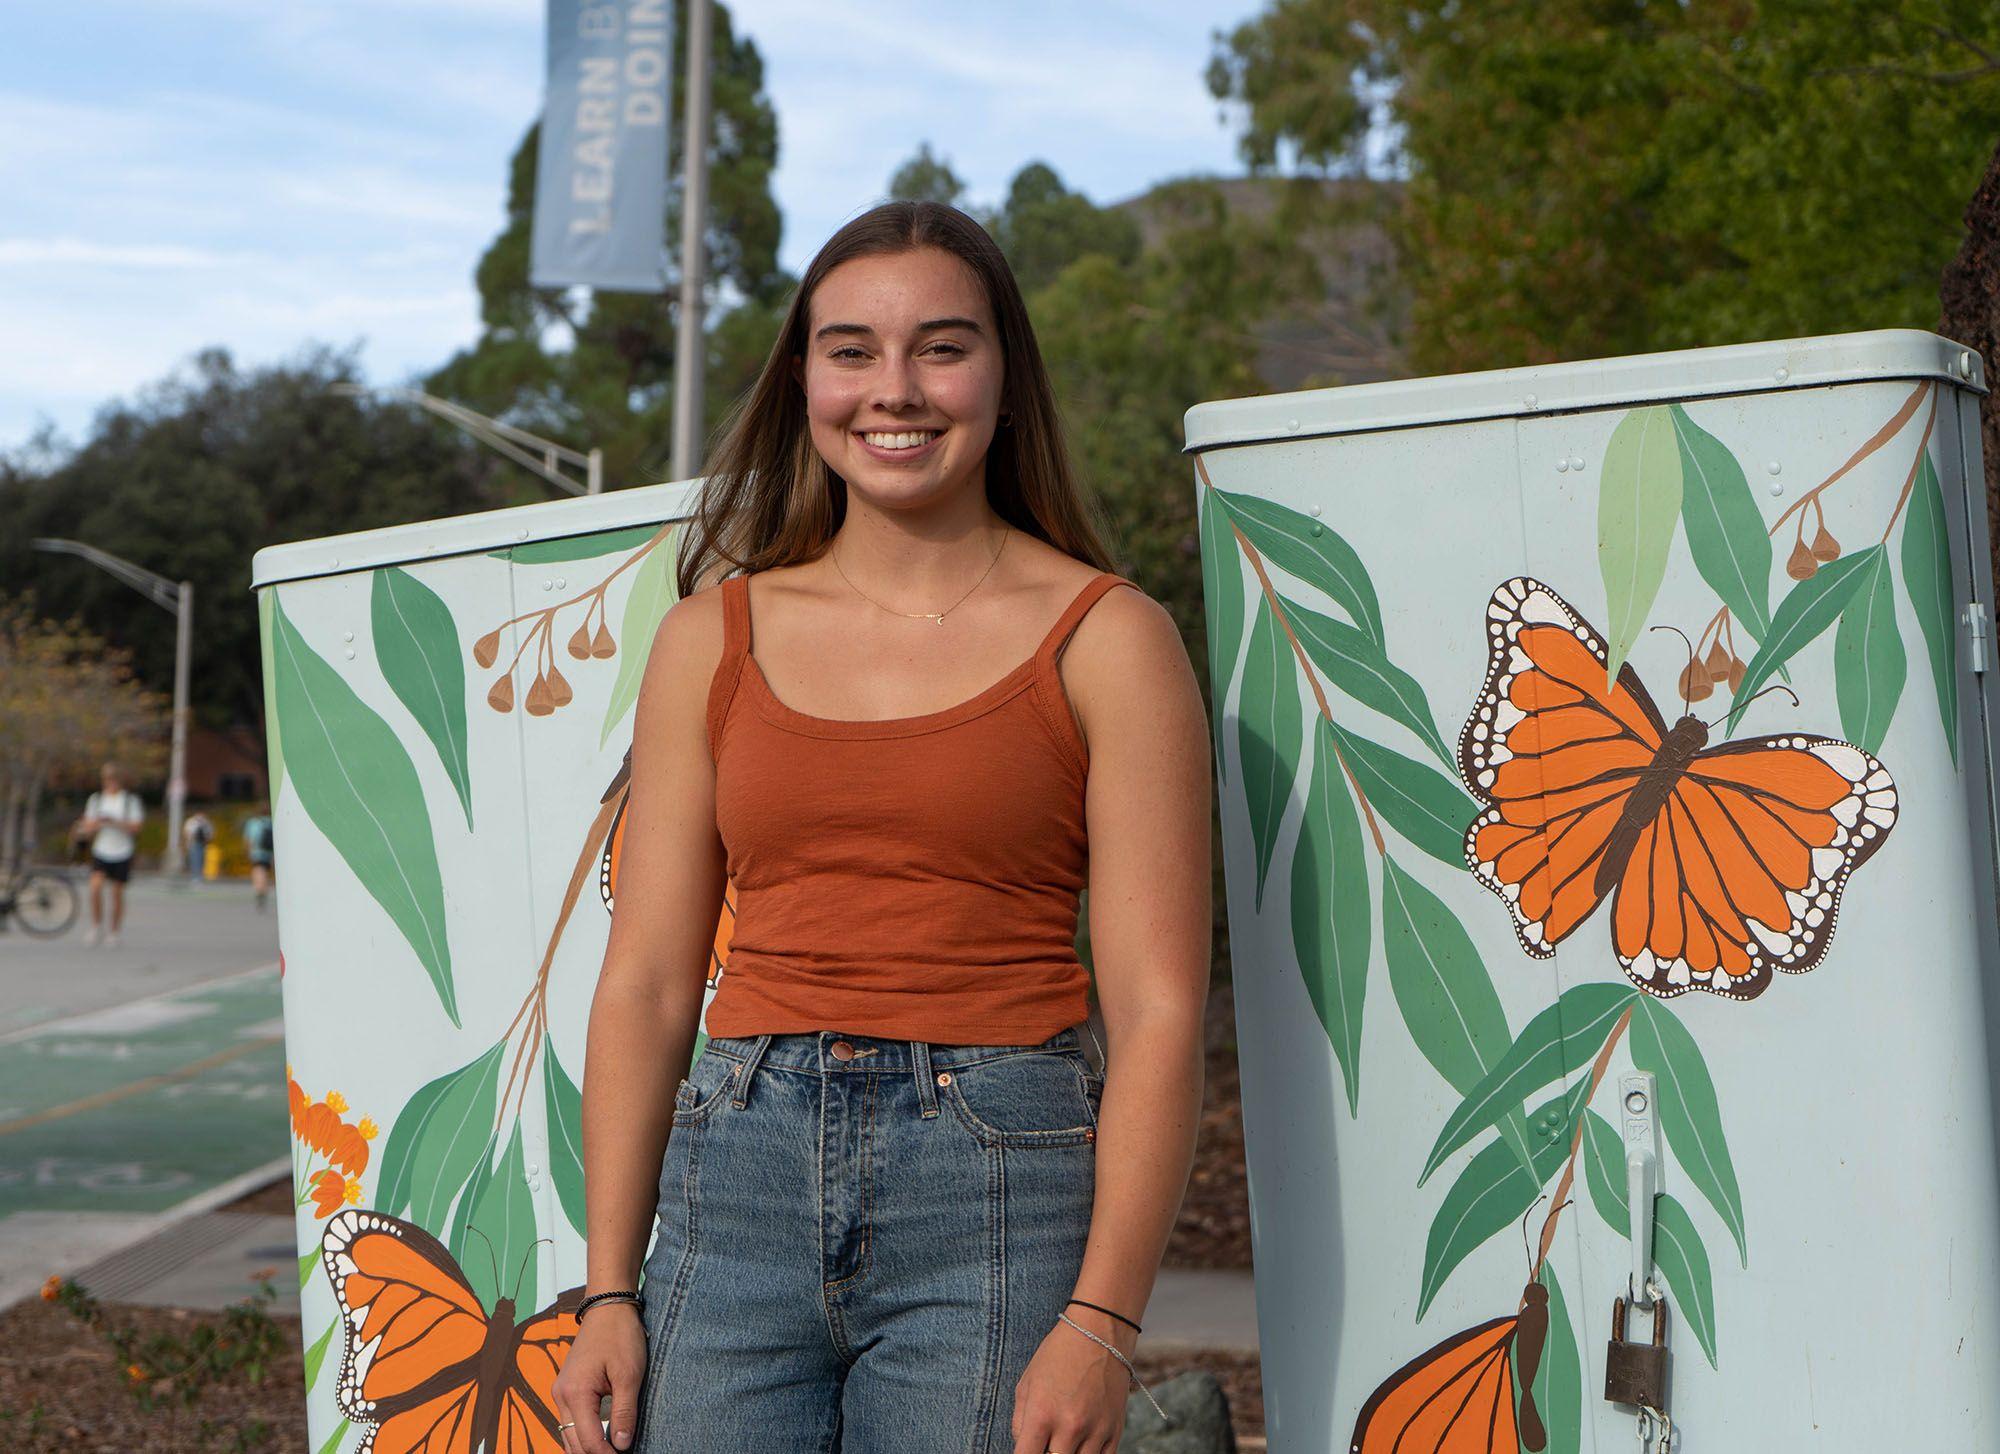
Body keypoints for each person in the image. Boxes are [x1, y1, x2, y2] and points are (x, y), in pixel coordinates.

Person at [550, 201, 1212, 1454]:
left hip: (994, 1180)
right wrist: (607, 1285)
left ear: (1005, 377)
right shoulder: (710, 636)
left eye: (941, 347)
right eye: (849, 349)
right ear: (803, 376)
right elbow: (642, 983)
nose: (892, 389)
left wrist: (1102, 1319)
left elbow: (1161, 1007)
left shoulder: (1109, 637)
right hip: (733, 1174)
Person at [74, 762, 144, 949]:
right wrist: (97, 823)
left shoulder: (129, 801)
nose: (110, 783)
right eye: (107, 780)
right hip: (101, 849)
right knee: (95, 887)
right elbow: (87, 827)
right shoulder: (97, 800)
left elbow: (136, 827)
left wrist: (116, 822)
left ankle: (115, 931)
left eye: (114, 780)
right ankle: (96, 925)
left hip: (122, 850)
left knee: (117, 893)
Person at [242, 803, 275, 911]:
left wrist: (247, 851)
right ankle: (264, 889)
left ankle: (259, 890)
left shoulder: (253, 823)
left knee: (258, 871)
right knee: (265, 871)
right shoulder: (272, 822)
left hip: (257, 852)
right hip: (269, 852)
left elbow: (249, 839)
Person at [182, 808, 213, 880]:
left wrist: (207, 839)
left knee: (202, 860)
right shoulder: (191, 822)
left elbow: (210, 833)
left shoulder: (206, 822)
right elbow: (187, 833)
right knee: (194, 860)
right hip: (193, 843)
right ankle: (195, 876)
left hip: (203, 843)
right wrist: (187, 843)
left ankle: (199, 875)